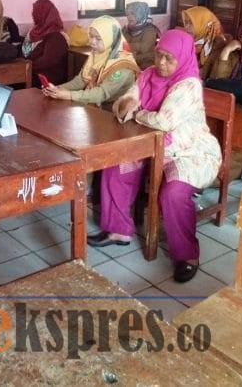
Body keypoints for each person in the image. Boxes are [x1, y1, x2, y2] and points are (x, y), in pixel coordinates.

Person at [88, 29, 221, 283]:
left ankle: (188, 255)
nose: (161, 63)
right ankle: (118, 231)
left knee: (173, 193)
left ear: (182, 59)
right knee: (116, 166)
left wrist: (137, 114)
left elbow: (163, 121)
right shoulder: (148, 74)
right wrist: (126, 104)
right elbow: (125, 102)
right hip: (151, 145)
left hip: (188, 151)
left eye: (169, 58)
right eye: (159, 55)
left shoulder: (189, 85)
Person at [43, 15, 140, 109]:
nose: (92, 42)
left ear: (110, 38)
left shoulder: (122, 65)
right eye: (91, 36)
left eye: (98, 38)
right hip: (96, 108)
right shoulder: (97, 54)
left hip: (113, 113)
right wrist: (57, 89)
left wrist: (68, 95)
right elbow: (81, 80)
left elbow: (102, 93)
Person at [21, 0, 69, 87]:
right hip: (30, 76)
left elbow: (46, 62)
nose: (32, 14)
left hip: (46, 83)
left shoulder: (56, 37)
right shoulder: (33, 31)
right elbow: (25, 52)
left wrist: (25, 67)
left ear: (44, 14)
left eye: (36, 11)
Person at [181, 6, 227, 79]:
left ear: (203, 23)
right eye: (186, 23)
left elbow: (215, 77)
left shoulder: (217, 44)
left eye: (191, 23)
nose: (187, 27)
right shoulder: (187, 40)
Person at [122, 1, 159, 70]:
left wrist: (127, 50)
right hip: (127, 62)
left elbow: (144, 49)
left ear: (141, 14)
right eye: (127, 14)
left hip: (145, 66)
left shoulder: (150, 30)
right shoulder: (125, 29)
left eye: (133, 13)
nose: (129, 17)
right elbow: (119, 45)